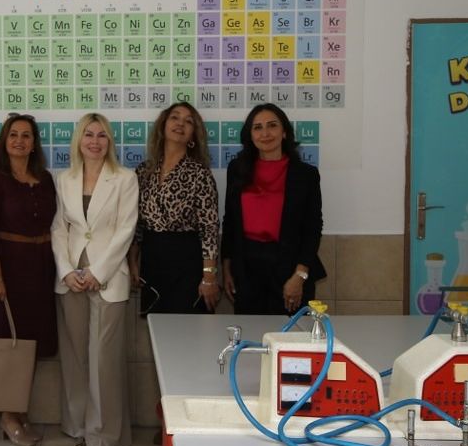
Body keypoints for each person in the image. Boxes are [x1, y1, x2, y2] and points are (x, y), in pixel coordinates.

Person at [51, 112, 138, 446]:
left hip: (108, 276)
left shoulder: (125, 178)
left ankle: (103, 436)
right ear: (79, 139)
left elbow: (126, 229)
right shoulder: (64, 178)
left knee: (104, 360)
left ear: (110, 141)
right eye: (89, 134)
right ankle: (78, 426)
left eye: (102, 135)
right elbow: (59, 229)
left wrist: (97, 272)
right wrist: (66, 270)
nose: (95, 141)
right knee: (75, 356)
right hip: (71, 277)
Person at [0, 113, 57, 446]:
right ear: (4, 142)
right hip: (6, 271)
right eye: (13, 135)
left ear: (34, 143)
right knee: (7, 345)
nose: (20, 141)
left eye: (26, 135)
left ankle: (19, 410)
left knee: (30, 345)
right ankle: (6, 417)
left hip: (40, 270)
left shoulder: (45, 180)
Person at [220, 103, 327, 315]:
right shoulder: (237, 169)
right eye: (257, 127)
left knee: (290, 332)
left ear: (284, 132)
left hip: (290, 268)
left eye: (272, 125)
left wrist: (300, 276)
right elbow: (230, 222)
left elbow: (312, 227)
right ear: (250, 135)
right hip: (247, 269)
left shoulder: (305, 174)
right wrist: (227, 267)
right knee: (250, 332)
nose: (265, 133)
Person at [129, 102, 221, 314]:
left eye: (188, 121)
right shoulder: (144, 171)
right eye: (175, 117)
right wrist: (133, 261)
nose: (180, 124)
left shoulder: (200, 174)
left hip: (187, 262)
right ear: (163, 125)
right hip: (152, 260)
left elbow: (209, 230)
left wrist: (209, 276)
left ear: (193, 135)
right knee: (156, 325)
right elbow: (137, 224)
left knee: (188, 327)